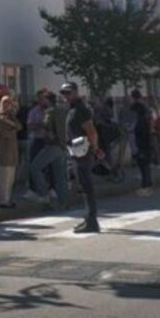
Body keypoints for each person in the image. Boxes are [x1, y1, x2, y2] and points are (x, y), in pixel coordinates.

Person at [60, 83, 101, 234]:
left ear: (76, 93)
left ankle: (92, 221)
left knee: (86, 187)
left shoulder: (81, 110)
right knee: (83, 187)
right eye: (63, 92)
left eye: (68, 92)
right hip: (76, 152)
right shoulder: (73, 109)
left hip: (82, 152)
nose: (65, 95)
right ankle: (89, 218)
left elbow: (91, 131)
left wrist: (95, 148)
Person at [0, 96, 21, 209]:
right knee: (4, 176)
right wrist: (11, 131)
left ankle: (8, 199)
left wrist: (11, 121)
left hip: (12, 150)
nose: (7, 105)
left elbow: (19, 127)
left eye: (9, 103)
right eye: (5, 103)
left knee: (11, 177)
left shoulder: (11, 117)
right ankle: (3, 200)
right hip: (3, 150)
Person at [24, 90, 50, 200]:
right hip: (38, 140)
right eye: (39, 98)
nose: (41, 101)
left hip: (50, 141)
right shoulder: (34, 112)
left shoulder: (52, 111)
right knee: (34, 163)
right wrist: (40, 125)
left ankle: (49, 188)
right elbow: (30, 126)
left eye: (43, 98)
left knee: (49, 166)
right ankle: (33, 189)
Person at [130, 90, 155, 196]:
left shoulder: (140, 121)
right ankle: (147, 185)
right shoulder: (146, 114)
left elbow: (140, 134)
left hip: (142, 144)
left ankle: (146, 187)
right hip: (146, 143)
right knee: (145, 166)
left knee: (143, 166)